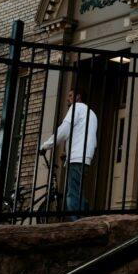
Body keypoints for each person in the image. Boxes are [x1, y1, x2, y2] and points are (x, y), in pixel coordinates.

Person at [40, 88, 98, 221]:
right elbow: (92, 141)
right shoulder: (92, 114)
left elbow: (64, 130)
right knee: (78, 193)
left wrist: (46, 145)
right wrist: (68, 152)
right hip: (86, 158)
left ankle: (78, 225)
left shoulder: (76, 108)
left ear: (78, 96)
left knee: (72, 195)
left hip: (77, 158)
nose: (67, 99)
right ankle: (88, 221)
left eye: (70, 95)